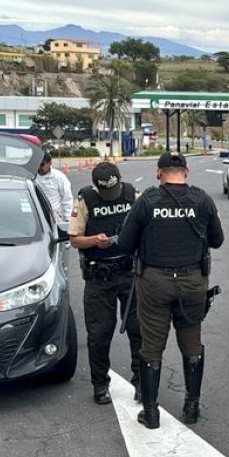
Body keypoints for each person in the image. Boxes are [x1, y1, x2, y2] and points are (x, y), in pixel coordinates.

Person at [117, 152, 224, 429]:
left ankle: (151, 414)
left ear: (158, 172)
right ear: (186, 172)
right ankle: (191, 407)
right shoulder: (202, 200)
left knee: (151, 346)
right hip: (192, 282)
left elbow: (125, 244)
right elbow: (217, 240)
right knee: (191, 343)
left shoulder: (147, 202)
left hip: (154, 282)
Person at [68, 162, 142, 405]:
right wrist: (93, 240)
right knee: (99, 334)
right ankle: (100, 384)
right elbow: (75, 239)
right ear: (95, 186)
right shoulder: (86, 199)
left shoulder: (132, 194)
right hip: (100, 276)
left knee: (138, 330)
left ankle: (142, 381)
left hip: (130, 273)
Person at [35, 151, 73, 223]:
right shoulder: (32, 177)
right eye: (38, 164)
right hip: (37, 216)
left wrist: (68, 218)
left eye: (42, 164)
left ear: (49, 164)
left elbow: (67, 198)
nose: (39, 167)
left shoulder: (59, 177)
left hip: (55, 217)